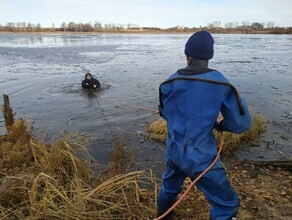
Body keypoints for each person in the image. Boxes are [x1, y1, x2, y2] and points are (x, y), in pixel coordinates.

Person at [157, 30, 252, 219]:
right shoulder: (222, 84)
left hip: (173, 150)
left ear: (187, 56)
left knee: (170, 186)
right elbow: (241, 124)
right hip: (201, 157)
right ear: (209, 56)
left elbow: (164, 113)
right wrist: (221, 125)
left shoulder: (169, 82)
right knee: (226, 203)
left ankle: (163, 214)